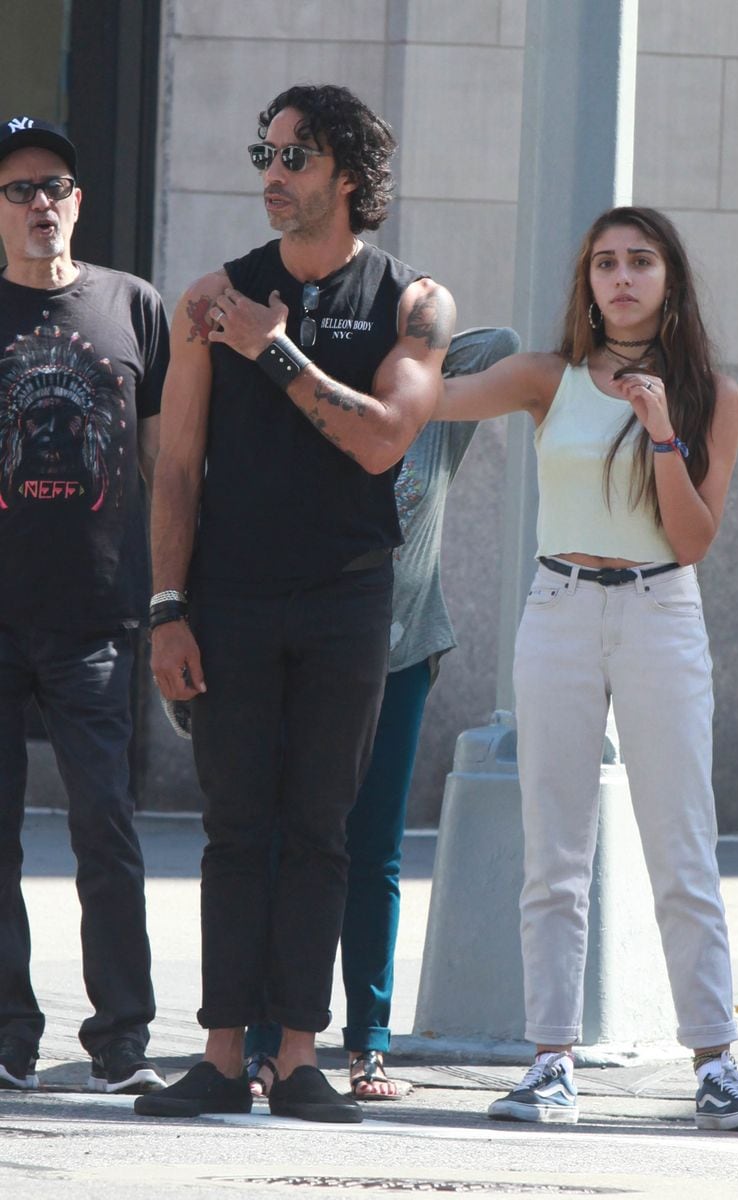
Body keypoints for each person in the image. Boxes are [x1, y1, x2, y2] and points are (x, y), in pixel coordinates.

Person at [137, 84, 455, 1124]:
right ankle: (224, 1055)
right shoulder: (210, 299)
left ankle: (301, 1056)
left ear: (349, 177)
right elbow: (176, 469)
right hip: (227, 596)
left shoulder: (414, 304)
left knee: (322, 827)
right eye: (262, 154)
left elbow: (379, 439)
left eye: (295, 157)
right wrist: (166, 607)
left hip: (346, 599)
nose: (271, 176)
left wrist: (269, 349)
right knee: (234, 826)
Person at [434, 206, 738, 1133]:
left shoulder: (712, 394)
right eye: (605, 264)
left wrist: (663, 429)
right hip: (560, 607)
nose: (621, 279)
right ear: (587, 282)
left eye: (640, 262)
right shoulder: (550, 378)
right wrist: (370, 332)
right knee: (556, 849)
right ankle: (551, 1061)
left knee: (682, 846)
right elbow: (427, 397)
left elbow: (694, 539)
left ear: (670, 280)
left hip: (661, 608)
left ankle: (714, 1062)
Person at [244, 326, 520, 1102]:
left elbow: (500, 343)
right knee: (289, 839)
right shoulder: (316, 411)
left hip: (401, 654)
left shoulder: (429, 418)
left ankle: (367, 1044)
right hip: (312, 652)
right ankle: (266, 1040)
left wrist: (413, 340)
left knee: (375, 849)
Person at [0, 117, 169, 1095]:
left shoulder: (131, 308)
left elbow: (165, 462)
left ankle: (119, 1044)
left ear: (77, 200)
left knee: (106, 826)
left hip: (97, 615)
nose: (37, 204)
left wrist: (176, 592)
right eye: (18, 189)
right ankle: (10, 1039)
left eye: (53, 184)